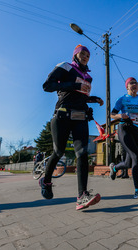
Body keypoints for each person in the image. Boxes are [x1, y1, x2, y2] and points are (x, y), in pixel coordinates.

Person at [42, 44, 103, 210]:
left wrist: (93, 99)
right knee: (59, 152)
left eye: (88, 56)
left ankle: (82, 196)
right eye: (82, 54)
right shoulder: (65, 66)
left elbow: (80, 97)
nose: (85, 57)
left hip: (80, 117)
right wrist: (75, 86)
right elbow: (47, 86)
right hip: (62, 115)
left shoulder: (88, 77)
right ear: (75, 55)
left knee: (82, 153)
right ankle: (46, 180)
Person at [109, 77, 138, 200]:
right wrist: (119, 115)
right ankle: (137, 190)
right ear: (127, 87)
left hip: (137, 131)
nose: (134, 85)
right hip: (124, 129)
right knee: (136, 157)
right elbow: (111, 114)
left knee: (128, 163)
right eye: (131, 83)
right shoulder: (122, 99)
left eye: (135, 83)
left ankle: (114, 168)